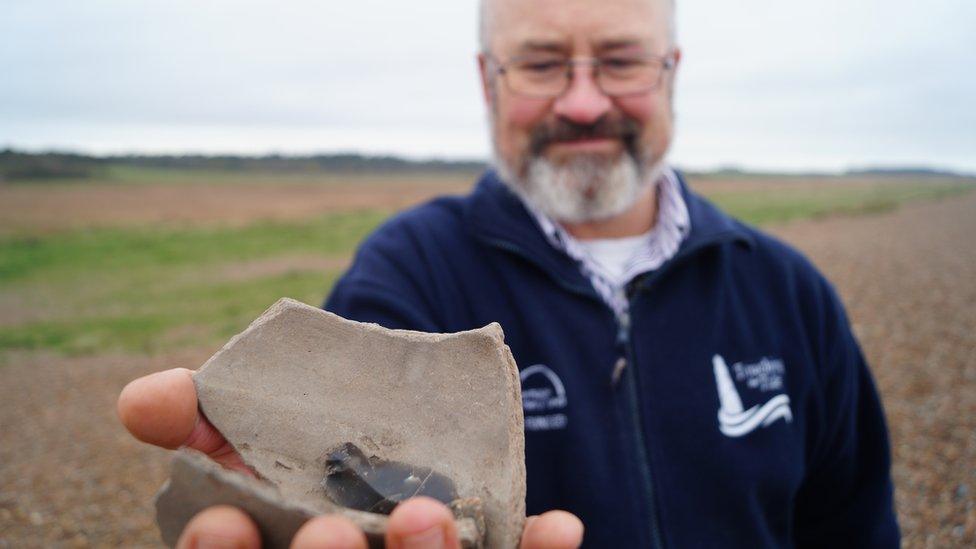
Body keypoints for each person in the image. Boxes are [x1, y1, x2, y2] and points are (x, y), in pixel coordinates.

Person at [118, 0, 901, 547]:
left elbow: (854, 526)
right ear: (488, 79)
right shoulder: (407, 274)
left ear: (672, 69)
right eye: (542, 63)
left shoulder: (788, 293)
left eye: (622, 60)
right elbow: (333, 473)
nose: (586, 102)